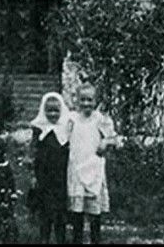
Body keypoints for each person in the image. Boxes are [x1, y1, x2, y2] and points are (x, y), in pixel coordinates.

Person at [66, 84, 115, 245]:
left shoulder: (100, 119)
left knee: (94, 209)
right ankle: (77, 239)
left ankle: (95, 239)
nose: (86, 103)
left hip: (93, 166)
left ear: (95, 101)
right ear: (77, 101)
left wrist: (105, 142)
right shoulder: (72, 118)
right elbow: (64, 137)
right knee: (77, 210)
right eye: (83, 100)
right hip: (77, 166)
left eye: (90, 100)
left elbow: (113, 138)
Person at [29, 91, 71, 244]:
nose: (53, 114)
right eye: (49, 111)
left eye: (56, 111)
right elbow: (33, 151)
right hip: (44, 176)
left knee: (60, 211)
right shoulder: (39, 128)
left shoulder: (66, 129)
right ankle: (44, 238)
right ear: (43, 110)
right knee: (45, 211)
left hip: (61, 176)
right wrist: (33, 175)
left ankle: (61, 239)